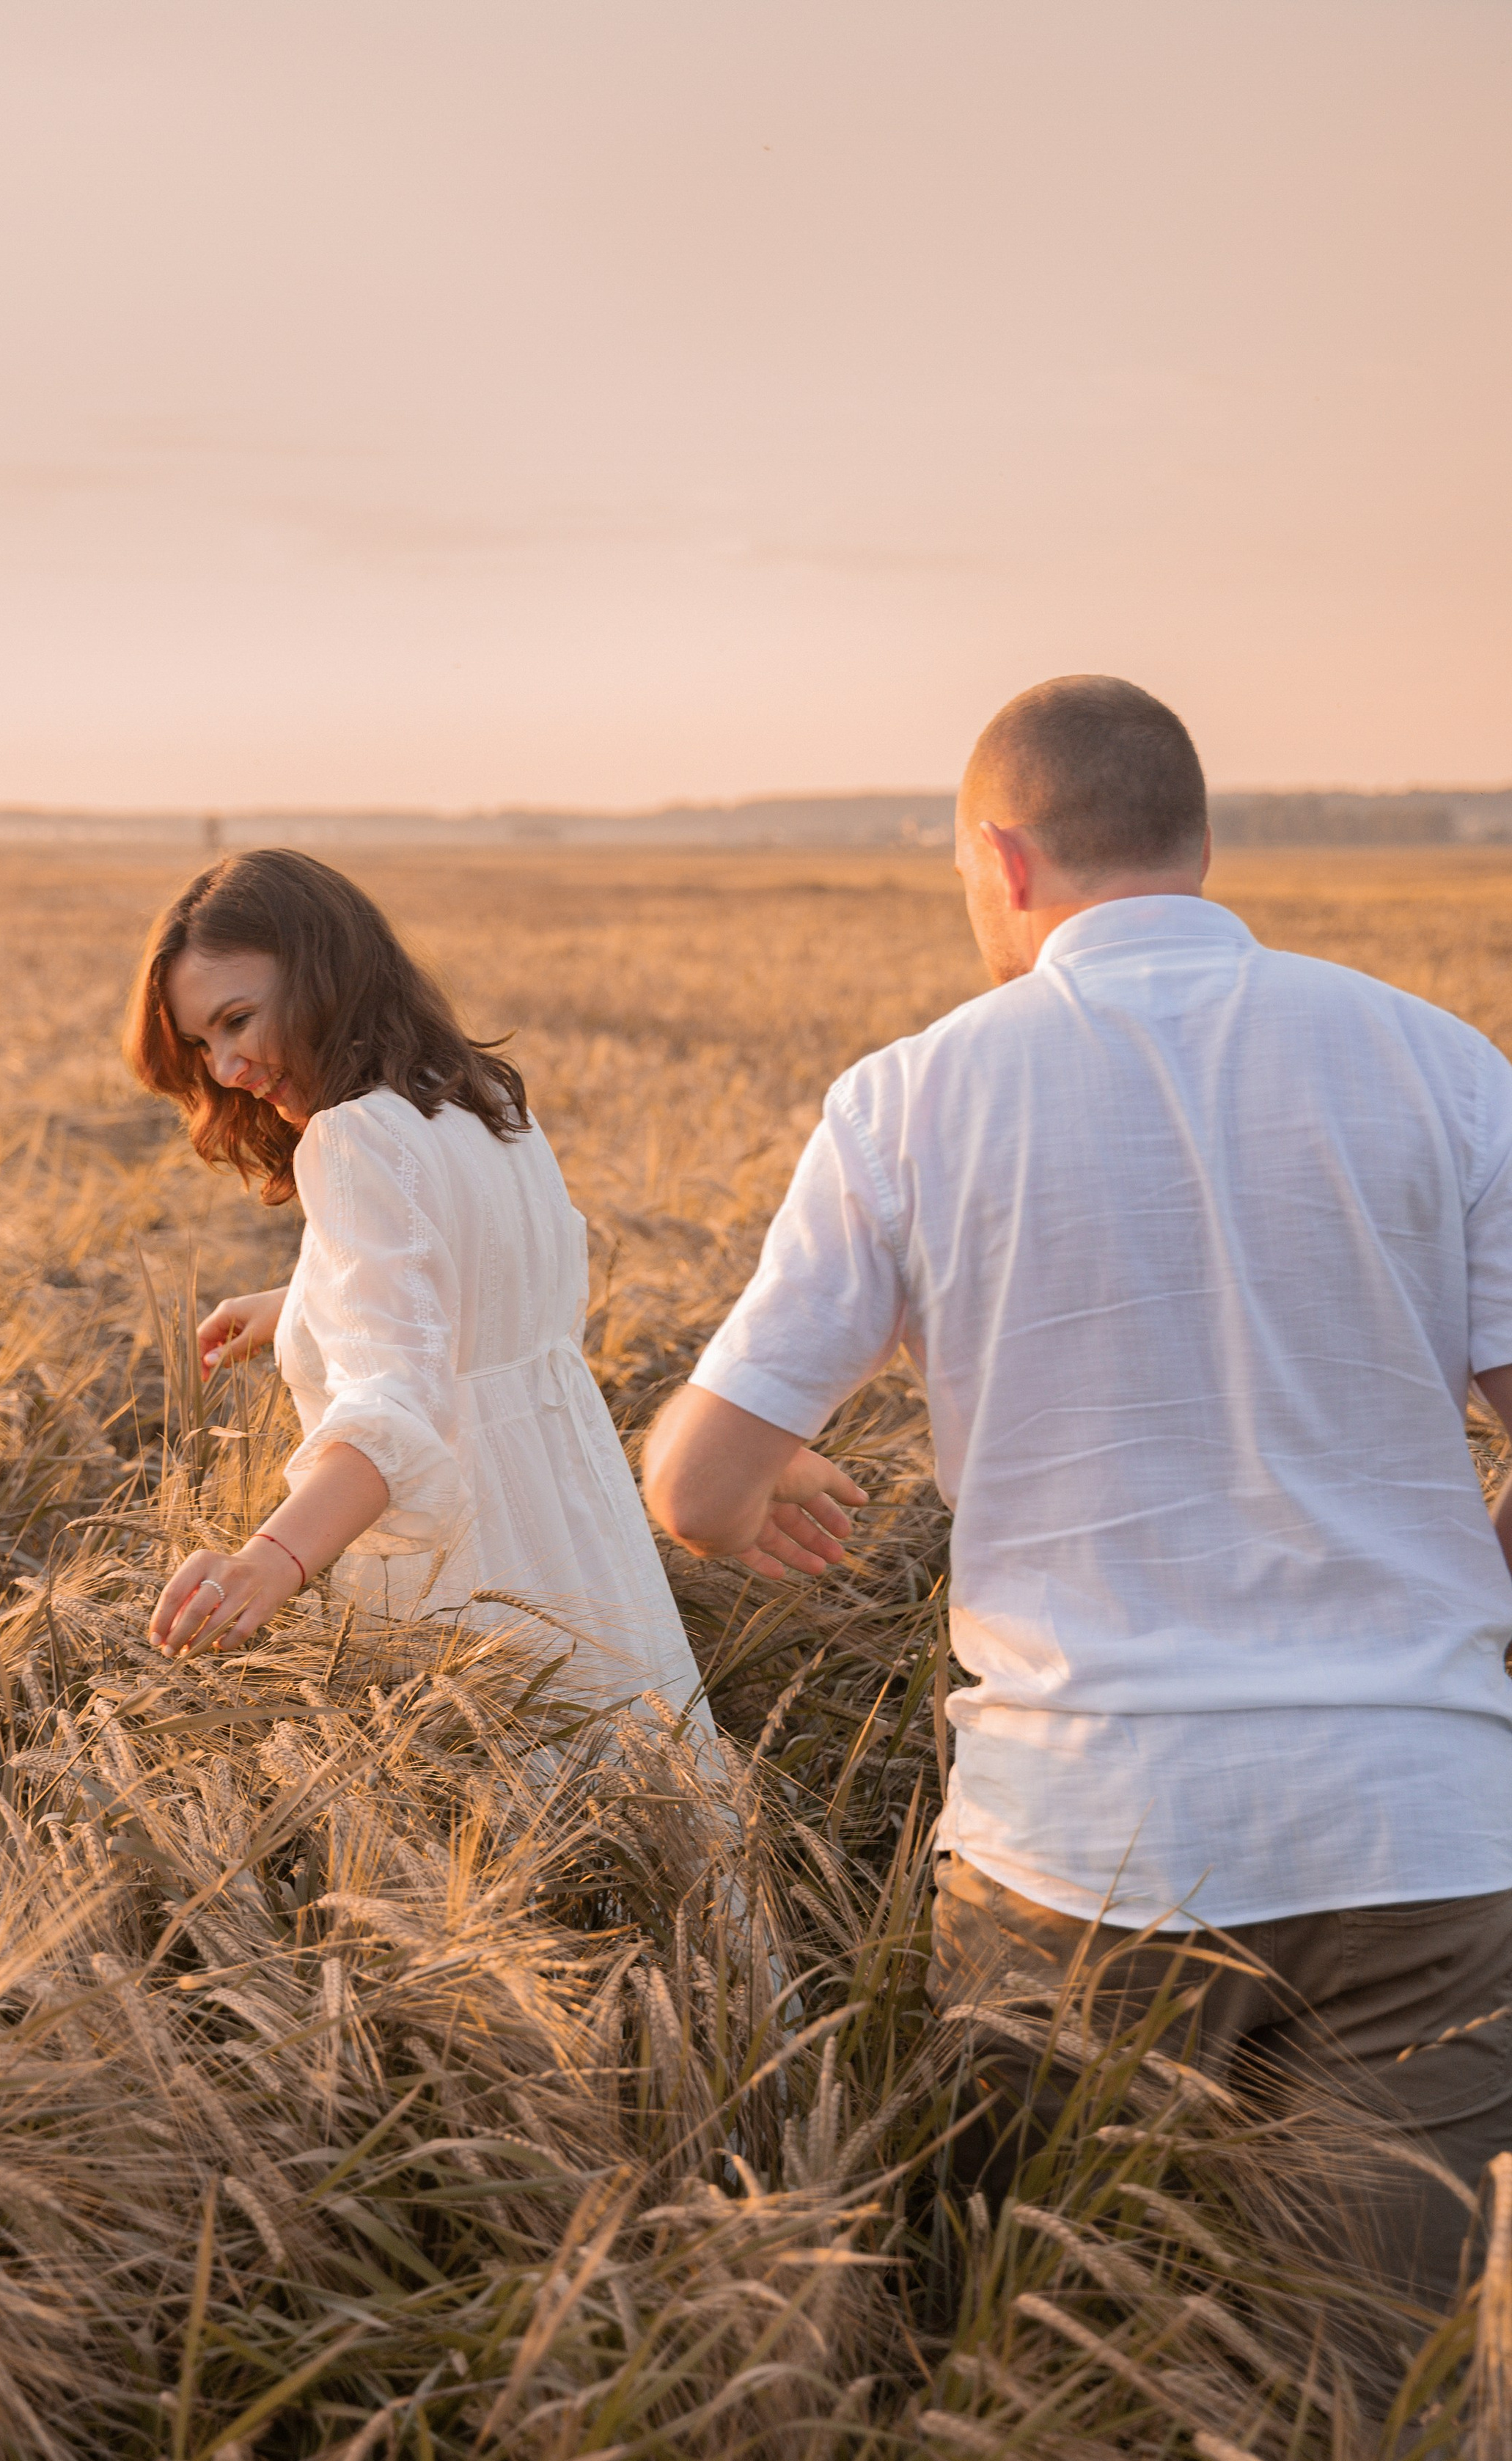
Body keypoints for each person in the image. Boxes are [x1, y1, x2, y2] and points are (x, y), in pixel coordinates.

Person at [643, 674, 1512, 2305]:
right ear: (1195, 841)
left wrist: (729, 1491)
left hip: (1081, 1847)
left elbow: (697, 1485)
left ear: (1003, 856)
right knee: (1362, 2408)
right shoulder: (1435, 1060)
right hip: (1414, 1824)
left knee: (1059, 2379)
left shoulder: (908, 1095)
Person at [123, 847, 755, 1725]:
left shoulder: (348, 1140)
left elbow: (398, 1408)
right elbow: (494, 1288)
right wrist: (301, 1303)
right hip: (581, 1539)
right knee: (643, 1802)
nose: (225, 1067)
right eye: (202, 1044)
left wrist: (268, 1560)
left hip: (472, 1582)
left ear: (324, 975)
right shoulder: (484, 1100)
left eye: (237, 1020)